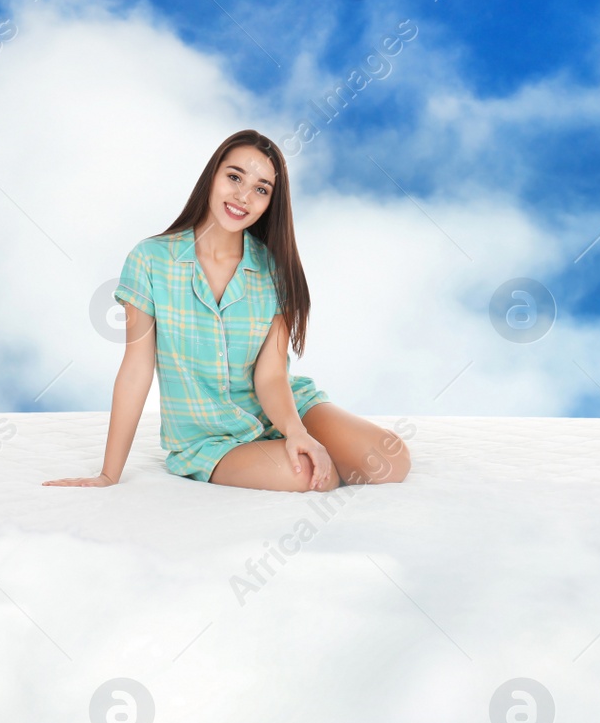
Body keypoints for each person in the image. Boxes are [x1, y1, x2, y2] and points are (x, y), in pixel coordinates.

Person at [43, 129, 411, 492]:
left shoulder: (275, 269)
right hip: (210, 439)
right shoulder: (150, 260)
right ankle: (317, 456)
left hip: (282, 408)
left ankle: (321, 446)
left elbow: (270, 375)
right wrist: (109, 474)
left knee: (391, 459)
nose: (243, 196)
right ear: (212, 176)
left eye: (261, 189)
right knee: (307, 475)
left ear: (270, 203)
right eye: (234, 177)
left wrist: (297, 431)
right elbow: (136, 370)